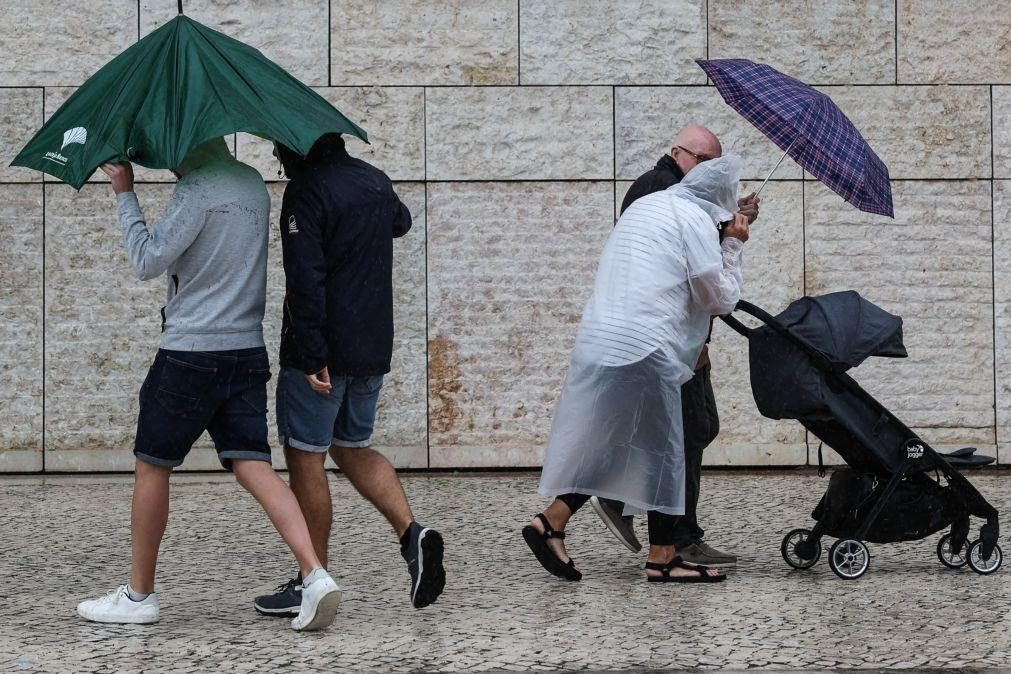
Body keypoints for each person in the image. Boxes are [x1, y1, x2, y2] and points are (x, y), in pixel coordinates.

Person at [76, 138, 342, 631]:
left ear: (188, 138)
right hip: (245, 351)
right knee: (254, 464)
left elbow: (146, 260)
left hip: (189, 353)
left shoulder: (197, 189)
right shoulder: (252, 184)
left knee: (152, 464)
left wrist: (123, 191)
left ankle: (138, 596)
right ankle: (315, 574)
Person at [523, 152, 750, 583]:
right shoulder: (698, 222)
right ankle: (662, 557)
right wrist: (734, 245)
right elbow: (717, 299)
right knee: (667, 445)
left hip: (600, 338)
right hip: (647, 347)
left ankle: (551, 523)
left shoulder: (650, 205)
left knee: (618, 438)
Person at [253, 134, 445, 617]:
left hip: (321, 353)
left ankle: (310, 579)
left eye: (280, 152)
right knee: (352, 447)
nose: (278, 160)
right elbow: (399, 222)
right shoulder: (374, 180)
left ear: (297, 150)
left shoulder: (307, 191)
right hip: (372, 345)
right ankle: (412, 534)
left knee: (306, 456)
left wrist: (313, 352)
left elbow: (305, 279)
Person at [590, 126, 759, 568]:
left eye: (715, 166)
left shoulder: (675, 193)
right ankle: (668, 536)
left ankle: (621, 505)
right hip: (669, 340)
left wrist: (730, 219)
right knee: (685, 432)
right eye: (704, 163)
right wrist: (732, 239)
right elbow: (696, 276)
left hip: (672, 336)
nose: (710, 173)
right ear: (680, 154)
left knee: (693, 428)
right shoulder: (662, 190)